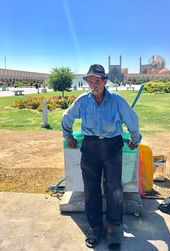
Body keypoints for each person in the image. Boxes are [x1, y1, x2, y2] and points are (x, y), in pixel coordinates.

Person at [62, 64, 142, 249]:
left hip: (112, 146)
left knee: (114, 188)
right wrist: (68, 135)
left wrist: (135, 139)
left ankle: (114, 228)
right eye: (90, 81)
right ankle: (95, 227)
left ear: (105, 81)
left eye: (97, 80)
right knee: (91, 188)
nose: (93, 84)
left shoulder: (117, 100)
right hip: (90, 146)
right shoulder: (82, 101)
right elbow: (67, 117)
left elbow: (132, 118)